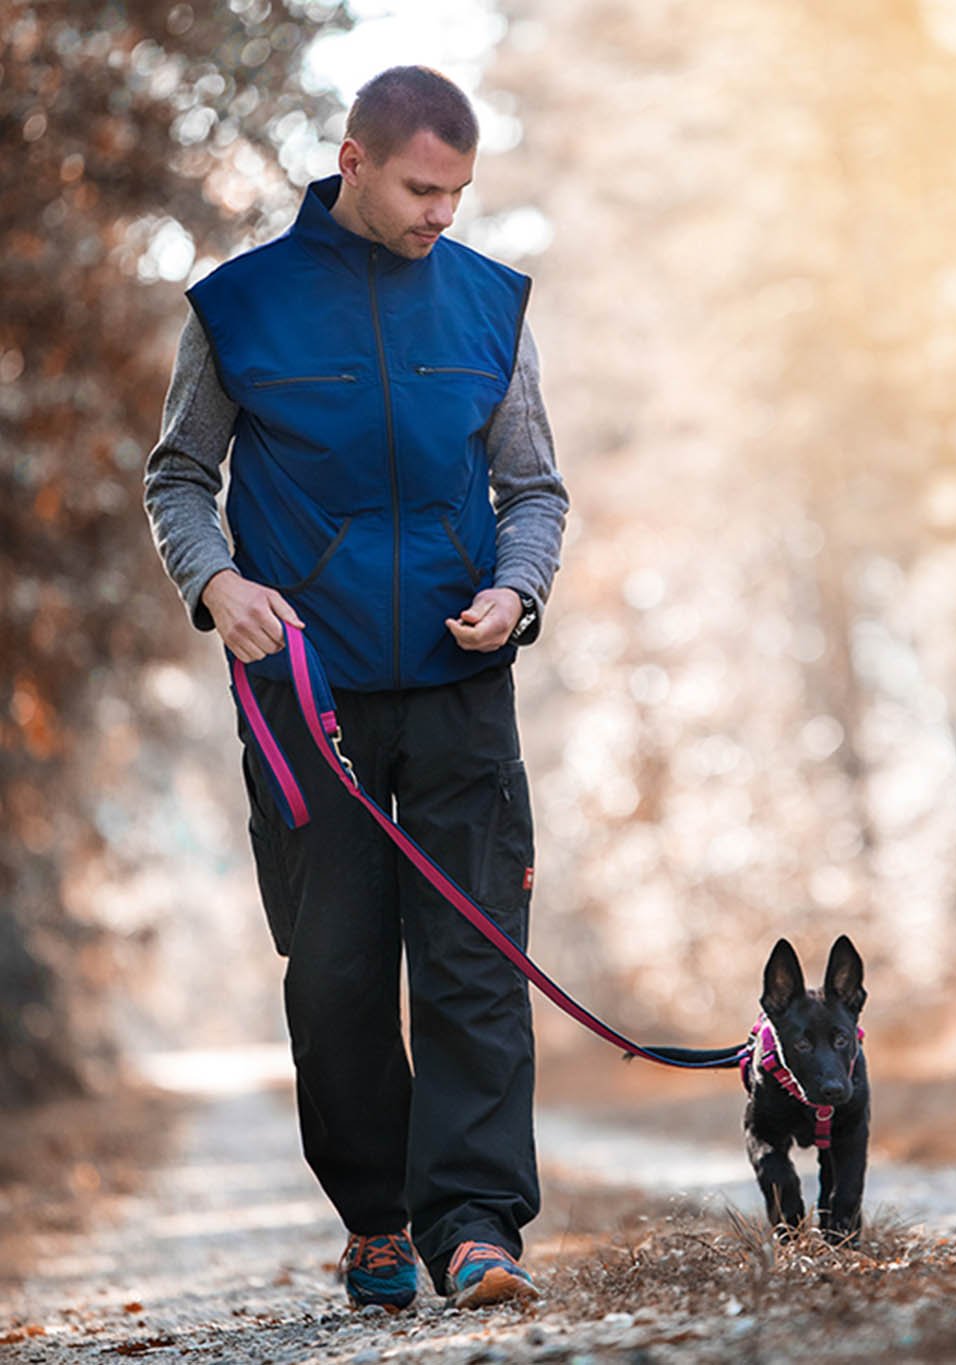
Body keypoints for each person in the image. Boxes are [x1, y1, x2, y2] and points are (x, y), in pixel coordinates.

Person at [144, 66, 568, 1312]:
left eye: (460, 192)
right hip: (301, 694)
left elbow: (531, 492)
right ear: (353, 159)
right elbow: (178, 478)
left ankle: (478, 1226)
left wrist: (518, 593)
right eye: (423, 188)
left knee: (476, 954)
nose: (445, 213)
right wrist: (217, 585)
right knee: (332, 969)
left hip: (458, 679)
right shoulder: (237, 307)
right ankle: (377, 1223)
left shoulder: (491, 305)